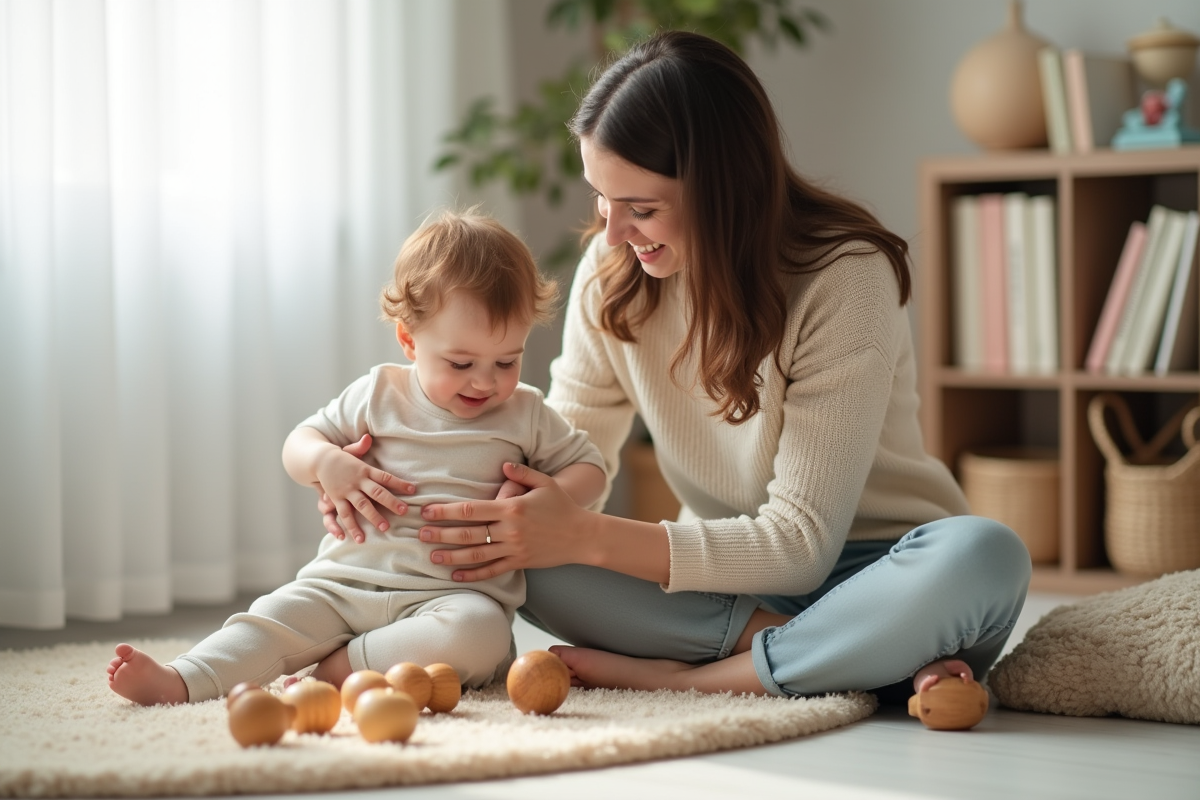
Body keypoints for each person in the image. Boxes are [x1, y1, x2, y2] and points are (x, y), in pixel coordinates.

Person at [319, 31, 1032, 707]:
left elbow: (802, 548)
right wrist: (387, 483)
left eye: (642, 207)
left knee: (987, 555)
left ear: (726, 191)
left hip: (881, 571)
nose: (613, 231)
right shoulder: (613, 270)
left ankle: (702, 683)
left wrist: (588, 535)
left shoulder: (844, 277)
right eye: (601, 198)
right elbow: (552, 454)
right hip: (721, 587)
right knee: (518, 552)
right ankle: (850, 662)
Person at [107, 209, 607, 705]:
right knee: (272, 617)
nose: (486, 380)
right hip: (344, 583)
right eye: (460, 363)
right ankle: (183, 679)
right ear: (410, 340)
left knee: (481, 636)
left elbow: (591, 469)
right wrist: (326, 463)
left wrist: (545, 496)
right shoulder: (377, 393)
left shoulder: (525, 410)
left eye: (507, 360)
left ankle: (341, 666)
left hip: (454, 600)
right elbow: (299, 443)